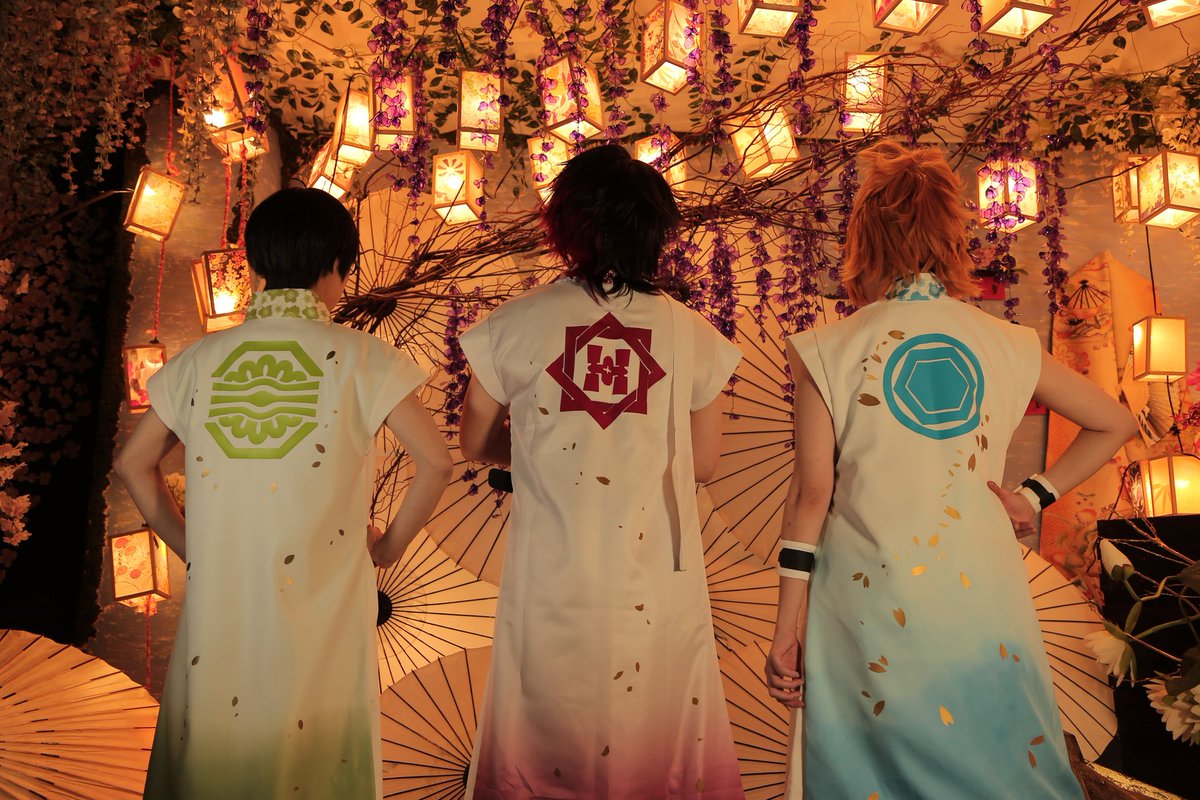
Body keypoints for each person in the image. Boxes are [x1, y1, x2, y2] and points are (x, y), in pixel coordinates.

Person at [764, 142, 1136, 798]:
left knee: (867, 773)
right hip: (982, 593)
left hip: (864, 599)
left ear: (864, 237)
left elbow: (812, 495)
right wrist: (1032, 495)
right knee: (997, 761)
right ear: (952, 235)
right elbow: (1115, 422)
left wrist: (785, 625)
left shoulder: (825, 348)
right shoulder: (1009, 342)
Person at [115, 187, 453, 799]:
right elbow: (435, 463)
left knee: (216, 738)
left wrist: (192, 546)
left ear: (256, 264)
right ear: (337, 265)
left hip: (223, 594)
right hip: (326, 594)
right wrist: (386, 549)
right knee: (316, 747)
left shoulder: (201, 358)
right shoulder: (365, 358)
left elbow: (133, 464)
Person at [458, 144, 746, 799]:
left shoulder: (514, 324)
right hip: (656, 580)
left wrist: (536, 454)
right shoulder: (692, 334)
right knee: (655, 737)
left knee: (543, 735)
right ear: (655, 230)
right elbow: (703, 464)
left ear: (564, 224)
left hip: (551, 576)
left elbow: (475, 440)